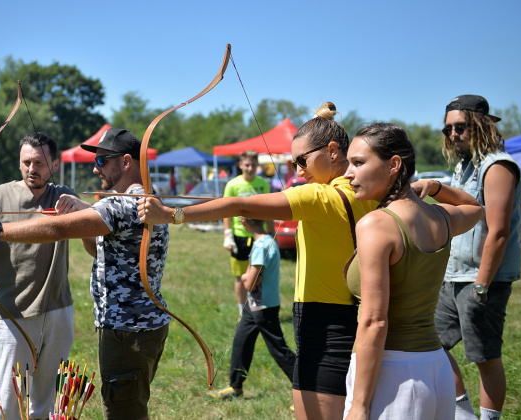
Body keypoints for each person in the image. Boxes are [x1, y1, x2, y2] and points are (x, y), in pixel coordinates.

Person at [138, 102, 379, 420]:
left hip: (325, 325)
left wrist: (170, 214)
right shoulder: (372, 193)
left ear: (333, 151)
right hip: (355, 319)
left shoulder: (319, 197)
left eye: (302, 161)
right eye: (294, 164)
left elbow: (240, 205)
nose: (299, 172)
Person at [0, 128, 170, 420]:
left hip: (126, 330)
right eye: (26, 162)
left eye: (103, 160)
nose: (96, 168)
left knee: (124, 412)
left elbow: (57, 228)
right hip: (144, 324)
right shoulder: (148, 201)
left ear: (125, 162)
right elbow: (98, 238)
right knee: (131, 407)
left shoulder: (119, 203)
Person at [341, 123, 483, 419]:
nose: (347, 173)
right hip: (436, 371)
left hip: (391, 376)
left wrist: (360, 405)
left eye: (358, 163)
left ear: (394, 165)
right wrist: (434, 187)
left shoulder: (377, 224)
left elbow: (375, 321)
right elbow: (475, 207)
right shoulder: (439, 217)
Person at [0, 132, 79, 420]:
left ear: (55, 165)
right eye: (26, 162)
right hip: (12, 310)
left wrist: (78, 207)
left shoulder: (64, 196)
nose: (32, 169)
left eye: (39, 162)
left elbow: (90, 227)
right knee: (7, 404)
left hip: (58, 307)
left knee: (45, 402)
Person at [434, 95, 521, 420]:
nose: (454, 134)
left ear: (481, 125)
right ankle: (463, 412)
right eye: (448, 129)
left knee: (484, 356)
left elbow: (497, 231)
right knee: (429, 342)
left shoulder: (497, 165)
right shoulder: (464, 166)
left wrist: (482, 285)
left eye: (461, 127)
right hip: (453, 278)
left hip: (482, 281)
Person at [208, 216, 296, 400]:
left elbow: (251, 283)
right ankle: (235, 387)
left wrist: (244, 275)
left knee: (279, 349)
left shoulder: (261, 246)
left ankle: (307, 391)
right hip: (254, 305)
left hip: (263, 306)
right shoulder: (268, 239)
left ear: (242, 221)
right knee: (242, 341)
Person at [222, 150, 274, 315]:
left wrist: (272, 233)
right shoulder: (232, 185)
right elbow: (225, 211)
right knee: (240, 276)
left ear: (257, 165)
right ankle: (242, 311)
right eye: (246, 165)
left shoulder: (263, 184)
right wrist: (228, 235)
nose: (250, 168)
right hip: (240, 236)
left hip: (260, 236)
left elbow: (268, 210)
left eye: (253, 165)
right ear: (240, 165)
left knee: (259, 275)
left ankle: (258, 307)